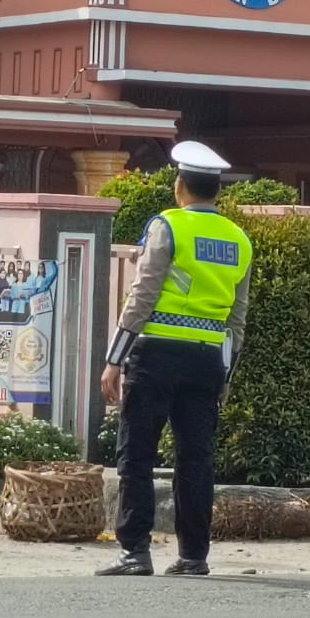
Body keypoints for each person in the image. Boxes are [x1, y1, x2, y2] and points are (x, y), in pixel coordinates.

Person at [96, 141, 254, 578]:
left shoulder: (167, 226)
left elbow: (142, 295)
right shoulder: (239, 239)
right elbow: (237, 319)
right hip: (207, 360)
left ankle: (134, 552)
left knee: (137, 455)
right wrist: (226, 372)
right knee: (197, 460)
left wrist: (114, 359)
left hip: (157, 354)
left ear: (179, 185)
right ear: (216, 190)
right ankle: (193, 556)